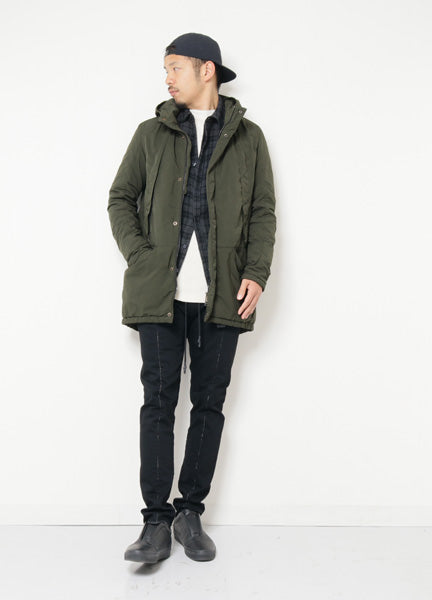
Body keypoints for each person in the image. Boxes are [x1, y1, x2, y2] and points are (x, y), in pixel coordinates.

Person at [107, 32, 277, 563]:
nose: (167, 78)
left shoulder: (249, 138)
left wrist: (257, 273)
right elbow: (120, 197)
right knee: (158, 403)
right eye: (166, 69)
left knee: (209, 405)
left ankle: (189, 514)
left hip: (223, 295)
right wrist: (141, 255)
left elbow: (264, 211)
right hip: (160, 293)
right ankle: (155, 522)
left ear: (207, 70)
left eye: (174, 67)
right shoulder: (150, 133)